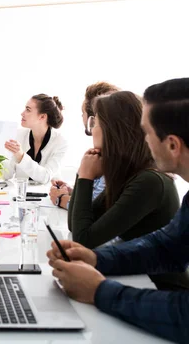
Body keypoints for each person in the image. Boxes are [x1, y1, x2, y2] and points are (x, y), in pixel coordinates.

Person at [48, 78, 189, 343]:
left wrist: (99, 290)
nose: (141, 137)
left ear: (172, 144)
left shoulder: (151, 180)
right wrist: (96, 260)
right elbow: (167, 247)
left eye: (146, 131)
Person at [67, 91, 180, 252]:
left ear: (112, 129)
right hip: (137, 274)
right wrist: (82, 173)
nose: (91, 130)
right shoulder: (130, 174)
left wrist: (86, 177)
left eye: (95, 122)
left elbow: (84, 239)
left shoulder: (149, 181)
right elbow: (75, 225)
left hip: (154, 277)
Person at [49, 82, 119, 209]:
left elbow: (91, 210)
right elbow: (97, 194)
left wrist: (61, 199)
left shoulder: (113, 157)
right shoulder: (106, 152)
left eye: (83, 112)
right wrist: (75, 190)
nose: (82, 117)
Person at [2, 94, 68, 184]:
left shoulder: (60, 142)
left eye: (28, 110)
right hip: (20, 195)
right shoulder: (19, 135)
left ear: (42, 117)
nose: (22, 113)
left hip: (48, 195)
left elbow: (46, 176)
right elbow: (6, 175)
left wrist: (21, 157)